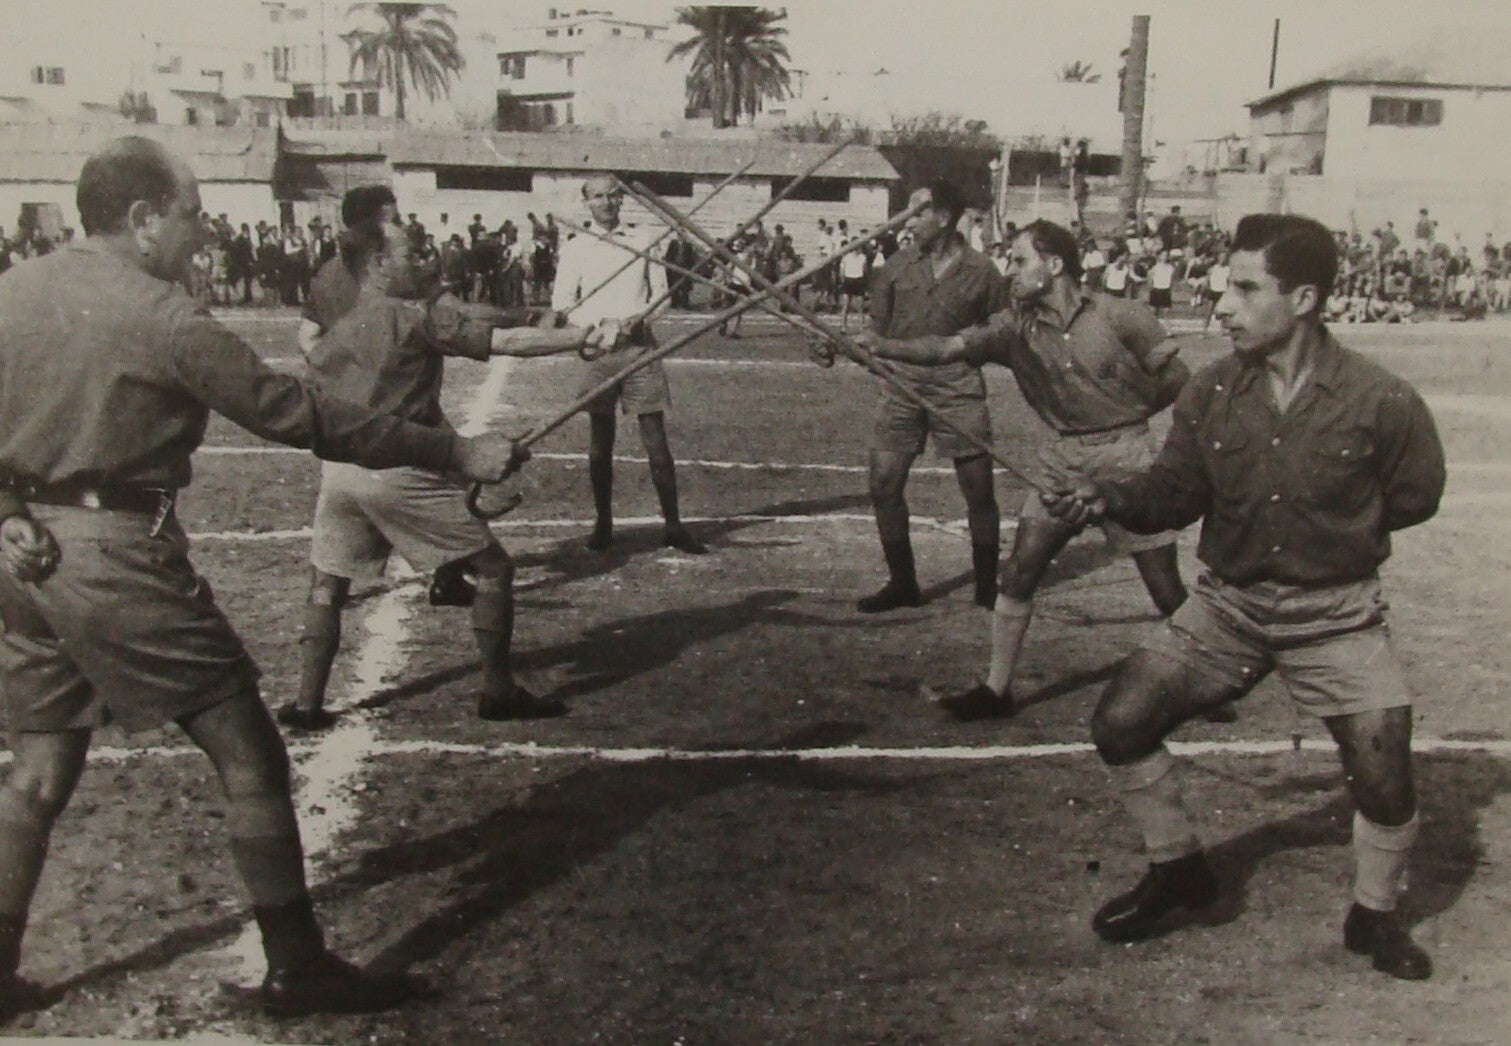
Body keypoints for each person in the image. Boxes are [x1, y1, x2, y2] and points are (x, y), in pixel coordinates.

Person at [0, 136, 528, 1022]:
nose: (201, 234)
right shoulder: (162, 316)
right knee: (248, 749)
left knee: (40, 768)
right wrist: (455, 449)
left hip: (20, 557)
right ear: (140, 220)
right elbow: (299, 414)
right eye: (191, 215)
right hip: (114, 555)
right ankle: (296, 965)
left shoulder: (11, 291)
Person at [1042, 213, 1444, 980]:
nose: (1219, 304)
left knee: (1385, 776)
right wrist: (1110, 495)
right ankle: (1178, 871)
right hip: (1227, 608)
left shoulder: (1381, 398)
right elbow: (1172, 491)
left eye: (1242, 287)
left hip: (1335, 617)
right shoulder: (1210, 391)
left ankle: (1375, 915)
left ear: (1302, 298)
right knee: (1120, 721)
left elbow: (1416, 495)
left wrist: (1332, 537)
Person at [862, 219, 1192, 719]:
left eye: (1019, 261)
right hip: (1061, 461)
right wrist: (879, 347)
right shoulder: (1013, 328)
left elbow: (1178, 381)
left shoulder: (1125, 315)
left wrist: (1134, 412)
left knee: (1165, 587)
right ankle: (997, 691)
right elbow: (944, 348)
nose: (1009, 270)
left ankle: (1207, 678)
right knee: (1018, 573)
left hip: (1128, 458)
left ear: (1054, 265)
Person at [284, 212, 602, 731]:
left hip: (339, 471)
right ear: (382, 264)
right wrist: (580, 339)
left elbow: (329, 372)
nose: (425, 258)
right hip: (396, 473)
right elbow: (507, 346)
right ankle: (498, 692)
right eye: (413, 253)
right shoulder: (415, 318)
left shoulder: (346, 323)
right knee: (496, 571)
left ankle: (307, 703)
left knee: (328, 582)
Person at [850, 180, 1006, 614]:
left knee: (978, 490)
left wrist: (969, 343)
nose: (907, 221)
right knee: (883, 485)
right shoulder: (895, 267)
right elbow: (873, 336)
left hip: (958, 386)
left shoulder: (984, 272)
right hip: (900, 387)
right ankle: (903, 584)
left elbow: (1001, 331)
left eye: (917, 213)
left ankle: (987, 587)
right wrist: (839, 347)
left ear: (944, 216)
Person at [550, 174, 707, 555]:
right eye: (598, 196)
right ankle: (603, 524)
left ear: (622, 201)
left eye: (613, 196)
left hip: (639, 349)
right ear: (586, 202)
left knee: (656, 441)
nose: (606, 203)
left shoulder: (643, 241)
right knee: (600, 443)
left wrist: (636, 320)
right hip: (596, 351)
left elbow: (661, 298)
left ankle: (673, 525)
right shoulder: (575, 247)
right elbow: (562, 303)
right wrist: (598, 327)